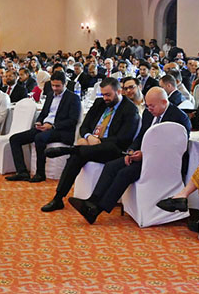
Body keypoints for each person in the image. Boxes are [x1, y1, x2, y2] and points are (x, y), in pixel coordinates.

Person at [68, 87, 192, 224]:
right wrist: (131, 151)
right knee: (111, 166)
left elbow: (174, 148)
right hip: (142, 156)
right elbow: (141, 137)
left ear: (163, 102)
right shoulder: (148, 114)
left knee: (124, 173)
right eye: (147, 105)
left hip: (161, 162)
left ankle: (96, 210)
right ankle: (91, 202)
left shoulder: (179, 118)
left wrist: (144, 155)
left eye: (152, 106)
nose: (149, 109)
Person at [41, 78, 141, 212]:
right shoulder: (99, 103)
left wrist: (98, 142)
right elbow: (84, 127)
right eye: (103, 94)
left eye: (108, 95)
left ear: (119, 91)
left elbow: (124, 139)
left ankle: (69, 150)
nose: (105, 98)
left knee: (83, 151)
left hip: (113, 150)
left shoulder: (130, 109)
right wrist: (89, 137)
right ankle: (58, 198)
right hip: (91, 145)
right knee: (76, 157)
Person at [6, 71, 80, 182]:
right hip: (44, 127)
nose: (54, 88)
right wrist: (39, 122)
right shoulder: (50, 95)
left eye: (58, 86)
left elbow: (72, 120)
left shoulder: (73, 98)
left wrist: (52, 126)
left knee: (39, 138)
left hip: (61, 130)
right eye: (53, 85)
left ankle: (40, 173)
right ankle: (22, 172)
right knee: (15, 139)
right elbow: (43, 113)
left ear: (65, 84)